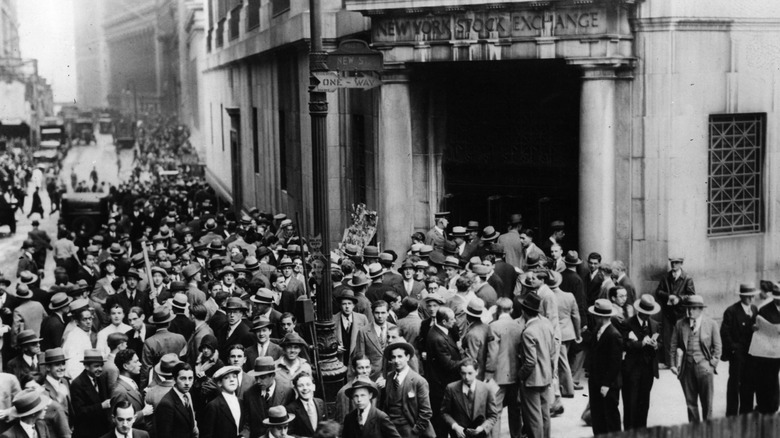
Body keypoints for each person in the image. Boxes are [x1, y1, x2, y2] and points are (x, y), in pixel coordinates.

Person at [670, 295, 721, 422]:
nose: (689, 311)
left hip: (705, 368)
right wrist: (672, 364)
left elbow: (718, 347)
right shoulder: (680, 324)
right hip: (686, 369)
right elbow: (673, 345)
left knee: (707, 403)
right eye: (688, 308)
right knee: (690, 403)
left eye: (693, 308)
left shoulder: (711, 324)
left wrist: (712, 365)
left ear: (700, 309)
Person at [517, 293, 555, 438]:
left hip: (532, 380)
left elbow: (530, 361)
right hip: (546, 376)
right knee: (545, 414)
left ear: (524, 312)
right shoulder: (546, 324)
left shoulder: (528, 332)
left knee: (533, 418)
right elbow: (552, 351)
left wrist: (520, 376)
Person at [622, 295, 661, 430]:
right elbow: (624, 344)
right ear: (639, 311)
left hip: (648, 370)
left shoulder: (654, 325)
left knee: (644, 404)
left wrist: (656, 345)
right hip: (632, 369)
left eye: (649, 313)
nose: (647, 316)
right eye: (645, 313)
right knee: (630, 403)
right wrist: (641, 343)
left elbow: (661, 345)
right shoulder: (627, 324)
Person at [721, 283, 759, 416]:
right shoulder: (731, 311)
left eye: (753, 296)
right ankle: (731, 414)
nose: (751, 299)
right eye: (748, 296)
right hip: (737, 355)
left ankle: (746, 413)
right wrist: (734, 349)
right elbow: (725, 333)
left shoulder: (754, 309)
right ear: (742, 296)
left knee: (749, 384)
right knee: (734, 384)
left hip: (751, 354)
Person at [381, 342, 434, 437]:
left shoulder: (418, 381)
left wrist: (415, 431)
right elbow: (386, 405)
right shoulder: (389, 377)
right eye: (393, 357)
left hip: (409, 428)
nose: (396, 360)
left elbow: (426, 412)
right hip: (390, 428)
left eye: (400, 356)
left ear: (408, 357)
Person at [587, 298, 623, 434]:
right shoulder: (598, 330)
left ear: (600, 317)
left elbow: (615, 363)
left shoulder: (614, 335)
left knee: (610, 418)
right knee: (598, 417)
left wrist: (606, 384)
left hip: (608, 385)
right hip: (596, 381)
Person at [424, 307, 461, 437]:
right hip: (441, 386)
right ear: (444, 322)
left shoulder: (441, 331)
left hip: (442, 383)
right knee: (442, 424)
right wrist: (466, 361)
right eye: (452, 319)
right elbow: (448, 364)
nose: (455, 321)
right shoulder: (437, 338)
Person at [440, 357, 500, 438]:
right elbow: (445, 412)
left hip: (481, 435)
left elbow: (493, 415)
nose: (466, 377)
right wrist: (455, 426)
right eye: (463, 373)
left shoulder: (487, 388)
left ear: (477, 372)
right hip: (459, 435)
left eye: (470, 373)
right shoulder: (451, 388)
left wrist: (482, 428)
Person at [655, 256, 696, 367]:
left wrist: (679, 298)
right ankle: (669, 363)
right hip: (668, 312)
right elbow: (658, 292)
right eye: (672, 262)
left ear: (681, 263)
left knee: (682, 337)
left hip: (681, 312)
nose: (674, 265)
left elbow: (692, 296)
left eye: (676, 263)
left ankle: (683, 362)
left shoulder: (687, 278)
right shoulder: (666, 277)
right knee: (667, 338)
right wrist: (669, 296)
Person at [749, 285, 780, 414]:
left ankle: (772, 405)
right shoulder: (764, 309)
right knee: (767, 377)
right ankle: (766, 406)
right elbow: (755, 324)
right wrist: (754, 327)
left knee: (773, 378)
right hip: (767, 351)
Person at [70, 349, 112, 438]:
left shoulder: (100, 378)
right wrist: (101, 406)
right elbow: (79, 412)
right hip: (87, 433)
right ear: (86, 366)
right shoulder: (77, 384)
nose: (100, 369)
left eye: (101, 366)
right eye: (96, 366)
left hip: (103, 430)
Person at [141, 308, 186, 388]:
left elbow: (146, 369)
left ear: (155, 324)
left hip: (158, 383)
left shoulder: (149, 342)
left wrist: (143, 388)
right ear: (169, 323)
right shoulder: (180, 338)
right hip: (178, 380)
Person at [200, 366, 248, 438]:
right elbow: (207, 434)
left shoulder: (241, 402)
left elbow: (245, 425)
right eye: (226, 378)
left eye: (234, 377)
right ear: (219, 383)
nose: (232, 380)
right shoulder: (213, 406)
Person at [111, 350, 153, 431]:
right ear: (126, 366)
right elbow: (117, 421)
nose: (140, 364)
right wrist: (143, 413)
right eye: (136, 361)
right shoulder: (120, 391)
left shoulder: (131, 382)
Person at [353, 300, 395, 381]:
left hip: (390, 373)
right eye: (377, 313)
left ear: (388, 313)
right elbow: (360, 355)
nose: (380, 316)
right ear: (372, 313)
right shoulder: (364, 331)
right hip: (372, 375)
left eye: (383, 313)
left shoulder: (394, 329)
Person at [154, 362, 198, 438]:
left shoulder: (187, 395)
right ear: (174, 379)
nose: (187, 383)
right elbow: (164, 435)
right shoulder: (166, 404)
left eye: (190, 378)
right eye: (183, 378)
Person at [333, 291, 369, 369]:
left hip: (356, 360)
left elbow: (367, 340)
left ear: (353, 305)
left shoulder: (362, 319)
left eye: (349, 303)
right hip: (340, 360)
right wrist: (335, 348)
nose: (347, 306)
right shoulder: (333, 319)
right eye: (344, 304)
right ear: (340, 305)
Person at [284, 372, 326, 437]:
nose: (305, 388)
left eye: (308, 384)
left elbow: (326, 426)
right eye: (300, 385)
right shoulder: (290, 409)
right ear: (296, 389)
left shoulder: (320, 402)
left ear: (314, 387)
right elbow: (289, 434)